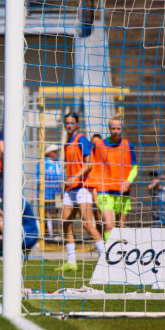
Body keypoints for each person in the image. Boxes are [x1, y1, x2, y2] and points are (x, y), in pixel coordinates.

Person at [59, 113, 104, 272]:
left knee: (86, 223)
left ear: (77, 125)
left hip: (83, 187)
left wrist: (75, 177)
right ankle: (71, 261)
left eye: (72, 123)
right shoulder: (67, 143)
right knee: (65, 223)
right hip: (70, 188)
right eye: (67, 123)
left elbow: (89, 163)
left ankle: (104, 257)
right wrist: (67, 180)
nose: (69, 125)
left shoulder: (81, 139)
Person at [98, 118, 137, 235]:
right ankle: (108, 253)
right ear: (109, 129)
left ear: (122, 130)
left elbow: (134, 167)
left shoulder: (128, 145)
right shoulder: (100, 145)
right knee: (109, 225)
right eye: (113, 128)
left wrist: (127, 182)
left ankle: (120, 252)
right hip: (105, 191)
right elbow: (96, 168)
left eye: (118, 128)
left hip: (122, 191)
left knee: (121, 227)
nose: (115, 131)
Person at [34, 143, 63, 239]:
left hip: (57, 192)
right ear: (48, 152)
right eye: (53, 151)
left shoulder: (58, 163)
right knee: (47, 214)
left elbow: (61, 176)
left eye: (55, 151)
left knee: (56, 213)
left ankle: (55, 233)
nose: (55, 153)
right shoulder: (43, 163)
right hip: (46, 193)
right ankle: (47, 234)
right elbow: (39, 178)